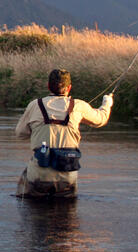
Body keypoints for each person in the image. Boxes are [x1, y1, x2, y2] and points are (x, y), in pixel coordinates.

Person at [15, 69, 113, 198]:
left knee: (32, 209)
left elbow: (20, 134)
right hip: (67, 176)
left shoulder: (35, 105)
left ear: (48, 86)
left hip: (38, 175)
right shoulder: (79, 105)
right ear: (69, 88)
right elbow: (100, 120)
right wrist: (107, 103)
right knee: (66, 215)